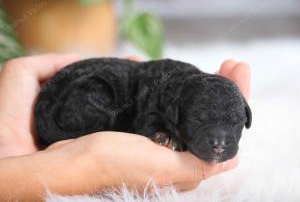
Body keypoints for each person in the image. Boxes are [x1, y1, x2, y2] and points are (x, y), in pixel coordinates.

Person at [0, 54, 251, 201]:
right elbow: (147, 122)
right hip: (78, 95)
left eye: (234, 124)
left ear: (246, 118)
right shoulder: (162, 101)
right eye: (199, 120)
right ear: (176, 111)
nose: (220, 142)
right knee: (101, 97)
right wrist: (90, 166)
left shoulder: (187, 95)